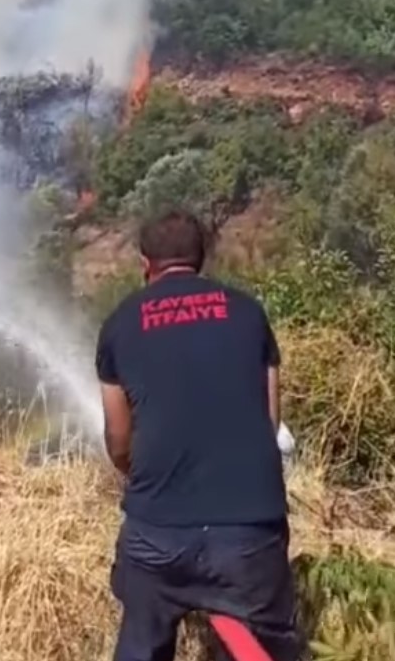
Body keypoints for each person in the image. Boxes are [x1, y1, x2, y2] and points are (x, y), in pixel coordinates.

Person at [95, 209, 298, 661]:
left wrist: (151, 479)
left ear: (145, 263)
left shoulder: (119, 323)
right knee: (262, 649)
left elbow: (118, 439)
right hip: (249, 533)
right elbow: (269, 425)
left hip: (156, 534)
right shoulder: (248, 313)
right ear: (202, 259)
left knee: (141, 643)